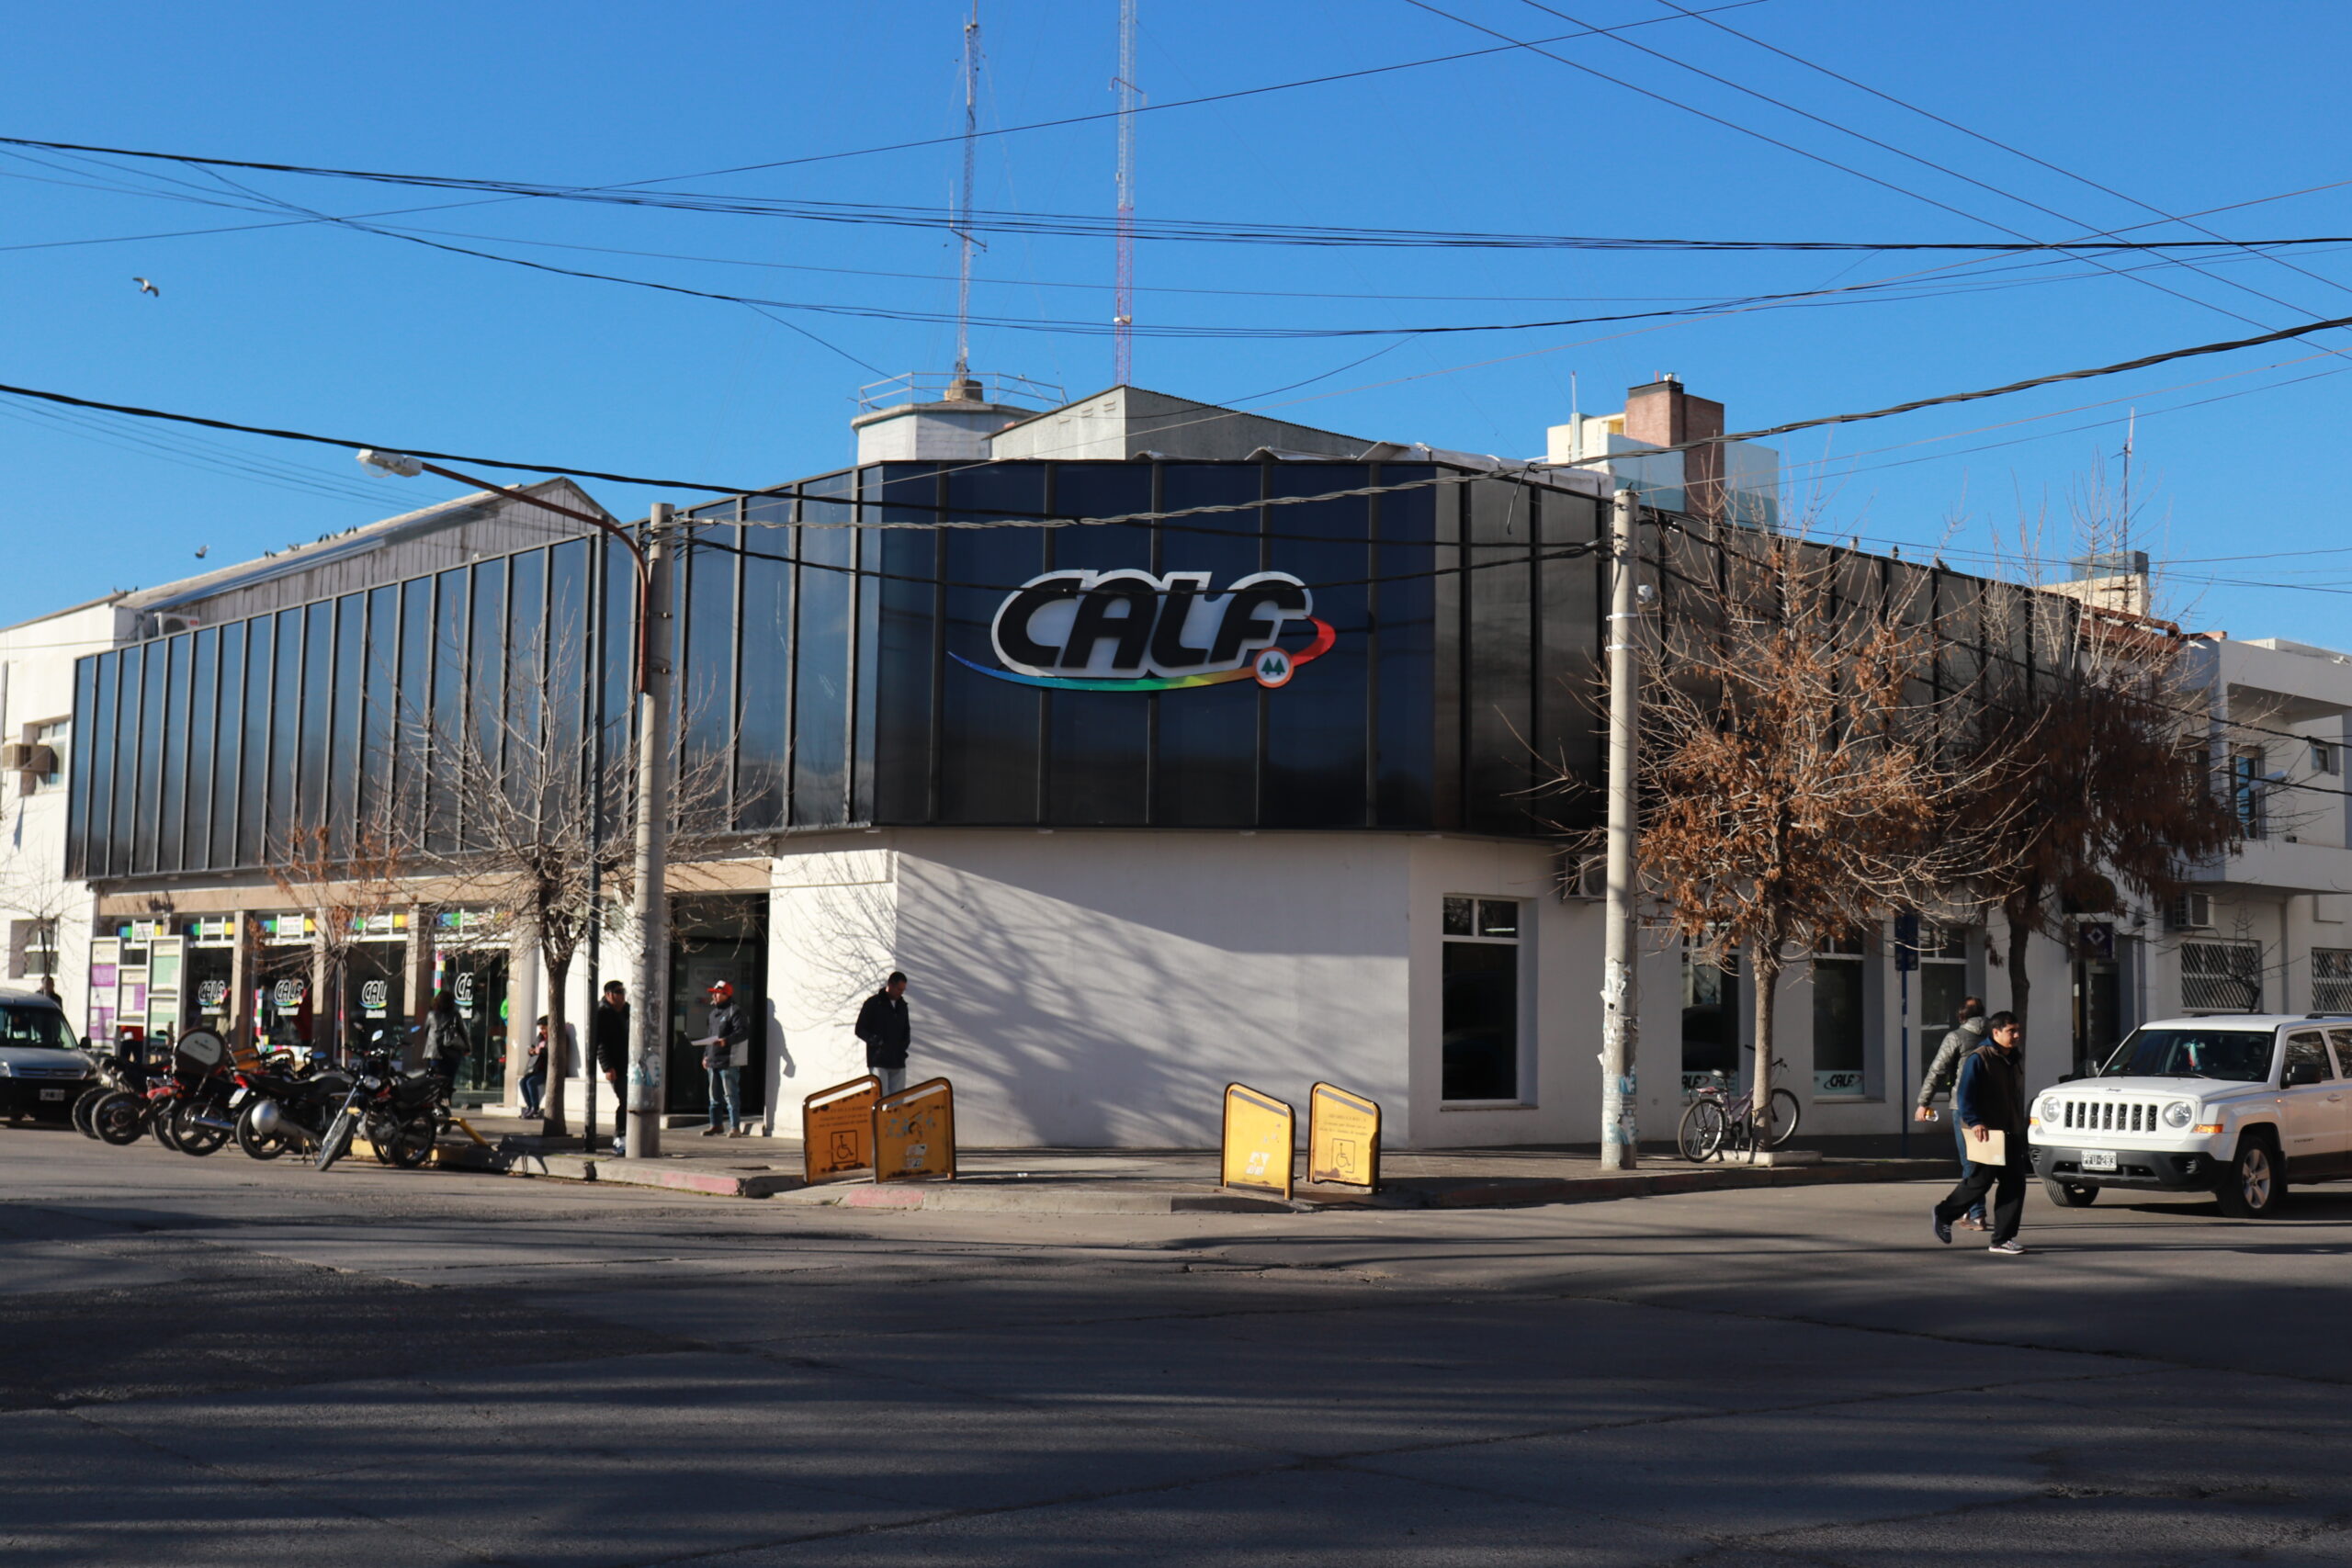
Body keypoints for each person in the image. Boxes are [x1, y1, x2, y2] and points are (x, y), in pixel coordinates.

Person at [1932, 1011, 2030, 1255]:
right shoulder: (1980, 1058)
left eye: (2017, 1030)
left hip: (2011, 1131)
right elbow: (1965, 1095)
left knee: (2014, 1184)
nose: (2016, 1035)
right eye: (2011, 1031)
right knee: (1980, 1181)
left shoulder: (2014, 1058)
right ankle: (1944, 1213)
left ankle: (2002, 1239)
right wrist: (1976, 1122)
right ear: (1995, 1033)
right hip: (1988, 1131)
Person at [1916, 998, 1989, 1228]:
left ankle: (1977, 1213)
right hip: (1991, 1104)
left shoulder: (1955, 1037)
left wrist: (1923, 1102)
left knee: (1970, 1160)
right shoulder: (1994, 1034)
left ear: (1961, 1017)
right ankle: (1968, 1210)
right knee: (1985, 1158)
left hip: (1963, 1105)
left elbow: (1937, 1070)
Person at [701, 980, 752, 1137]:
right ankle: (716, 1125)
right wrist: (705, 1056)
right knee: (714, 1097)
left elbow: (742, 1032)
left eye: (717, 993)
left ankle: (735, 1127)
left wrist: (726, 1041)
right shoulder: (713, 1014)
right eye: (713, 993)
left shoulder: (735, 1011)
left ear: (726, 994)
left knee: (730, 1095)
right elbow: (709, 1037)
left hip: (729, 1060)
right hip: (713, 1060)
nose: (714, 996)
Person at [855, 972, 910, 1095]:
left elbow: (906, 1029)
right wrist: (875, 1041)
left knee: (897, 1102)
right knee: (880, 1098)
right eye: (899, 989)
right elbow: (860, 1029)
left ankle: (894, 1115)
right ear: (890, 985)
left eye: (903, 990)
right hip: (879, 1060)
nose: (901, 992)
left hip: (898, 1060)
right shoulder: (873, 1003)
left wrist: (903, 1046)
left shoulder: (902, 1006)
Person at [594, 980, 629, 1156]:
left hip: (631, 1064)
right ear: (608, 995)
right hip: (616, 1066)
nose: (622, 996)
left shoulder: (628, 1010)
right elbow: (601, 1043)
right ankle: (620, 1137)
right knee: (625, 1099)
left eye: (623, 992)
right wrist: (608, 1067)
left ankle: (627, 1137)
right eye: (618, 992)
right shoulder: (603, 1013)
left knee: (631, 1101)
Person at [423, 988, 469, 1084]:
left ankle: (436, 1097)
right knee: (449, 1080)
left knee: (434, 1080)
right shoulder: (455, 1015)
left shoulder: (431, 1015)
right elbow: (463, 1032)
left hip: (434, 1053)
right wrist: (467, 1047)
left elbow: (426, 1031)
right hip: (451, 1052)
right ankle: (447, 1097)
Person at [519, 1016, 549, 1119]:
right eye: (541, 1028)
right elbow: (534, 1047)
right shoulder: (540, 1037)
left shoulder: (554, 1037)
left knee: (530, 1082)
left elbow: (553, 1053)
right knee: (522, 1082)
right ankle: (529, 1106)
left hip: (545, 1070)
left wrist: (540, 1051)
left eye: (544, 1028)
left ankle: (535, 1108)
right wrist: (531, 1051)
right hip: (536, 1068)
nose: (542, 1031)